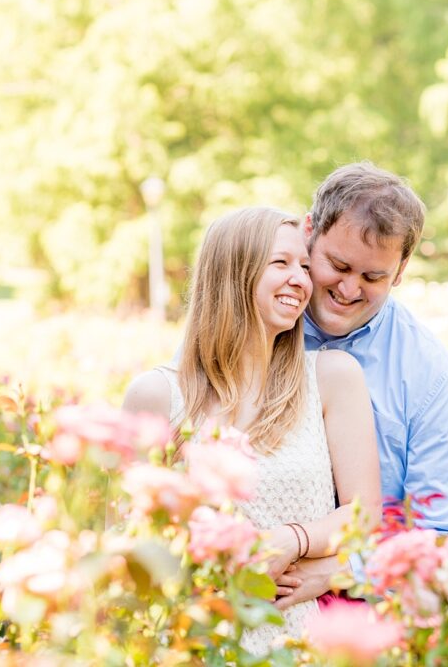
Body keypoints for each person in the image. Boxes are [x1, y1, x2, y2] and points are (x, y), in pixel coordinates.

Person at [123, 207, 381, 654]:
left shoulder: (333, 377)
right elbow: (128, 547)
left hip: (301, 645)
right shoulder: (156, 394)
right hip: (195, 645)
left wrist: (293, 539)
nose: (301, 280)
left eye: (305, 266)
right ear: (232, 272)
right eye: (281, 263)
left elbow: (364, 516)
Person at [275, 162, 448, 610]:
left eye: (373, 278)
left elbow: (447, 533)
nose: (349, 289)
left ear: (402, 269)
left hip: (366, 612)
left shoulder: (427, 373)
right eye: (338, 265)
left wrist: (338, 572)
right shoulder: (256, 322)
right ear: (310, 230)